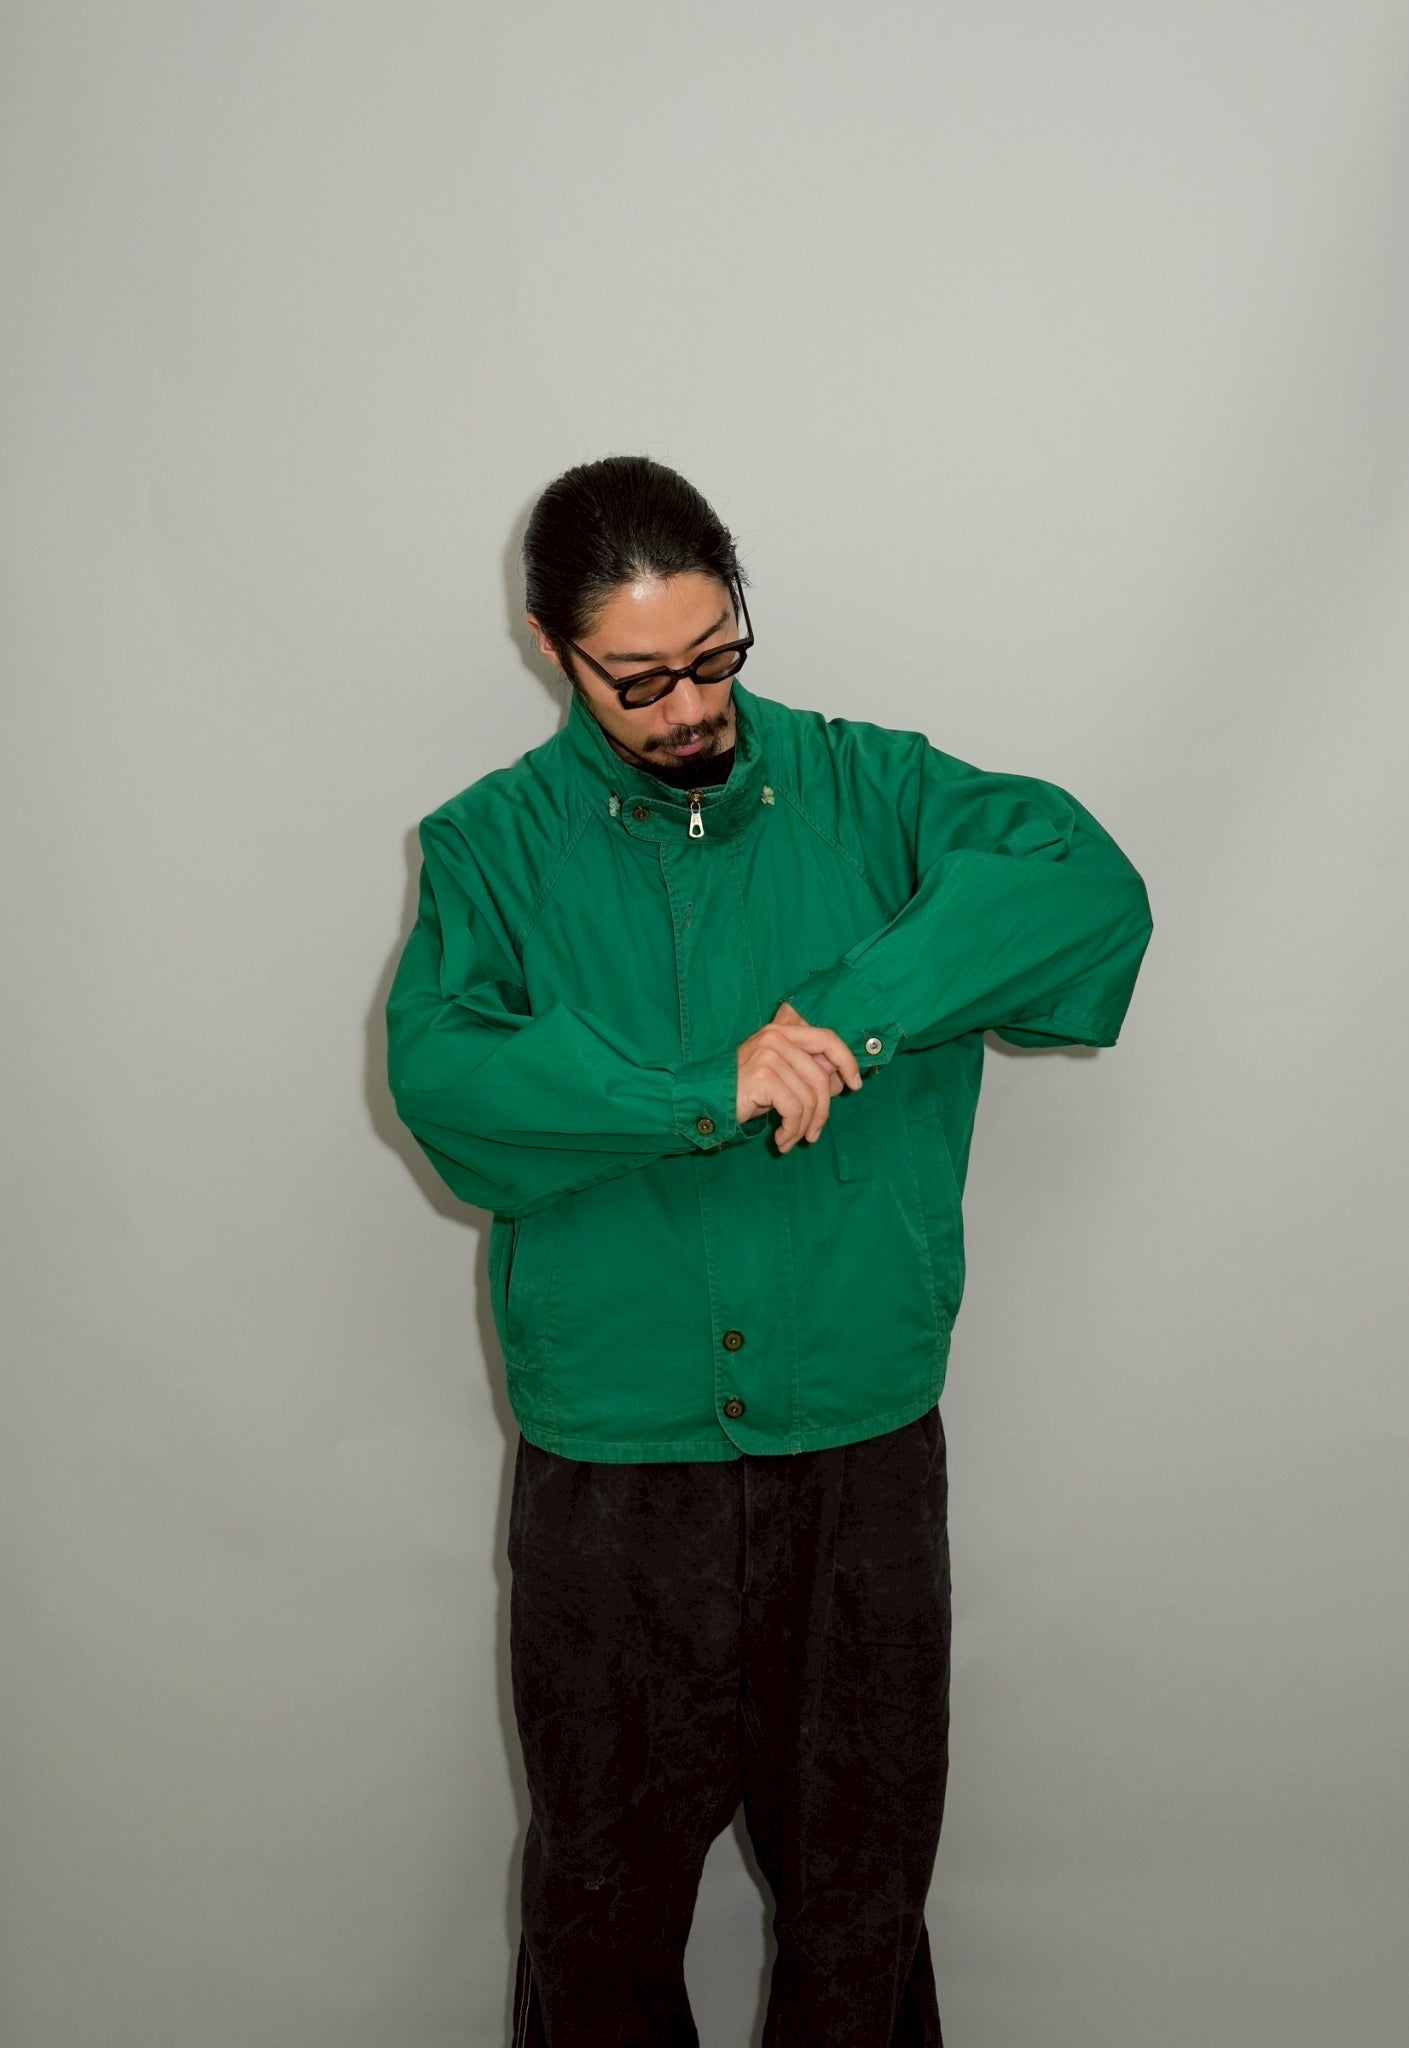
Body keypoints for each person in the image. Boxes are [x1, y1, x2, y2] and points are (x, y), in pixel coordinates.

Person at [385, 454, 1153, 2045]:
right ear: (550, 649)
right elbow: (449, 1088)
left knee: (860, 1903)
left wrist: (842, 1021)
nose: (689, 708)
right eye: (638, 680)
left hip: (857, 1446)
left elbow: (1084, 888)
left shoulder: (878, 790)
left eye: (715, 655)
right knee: (599, 1908)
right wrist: (699, 1089)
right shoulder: (488, 848)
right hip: (614, 1468)